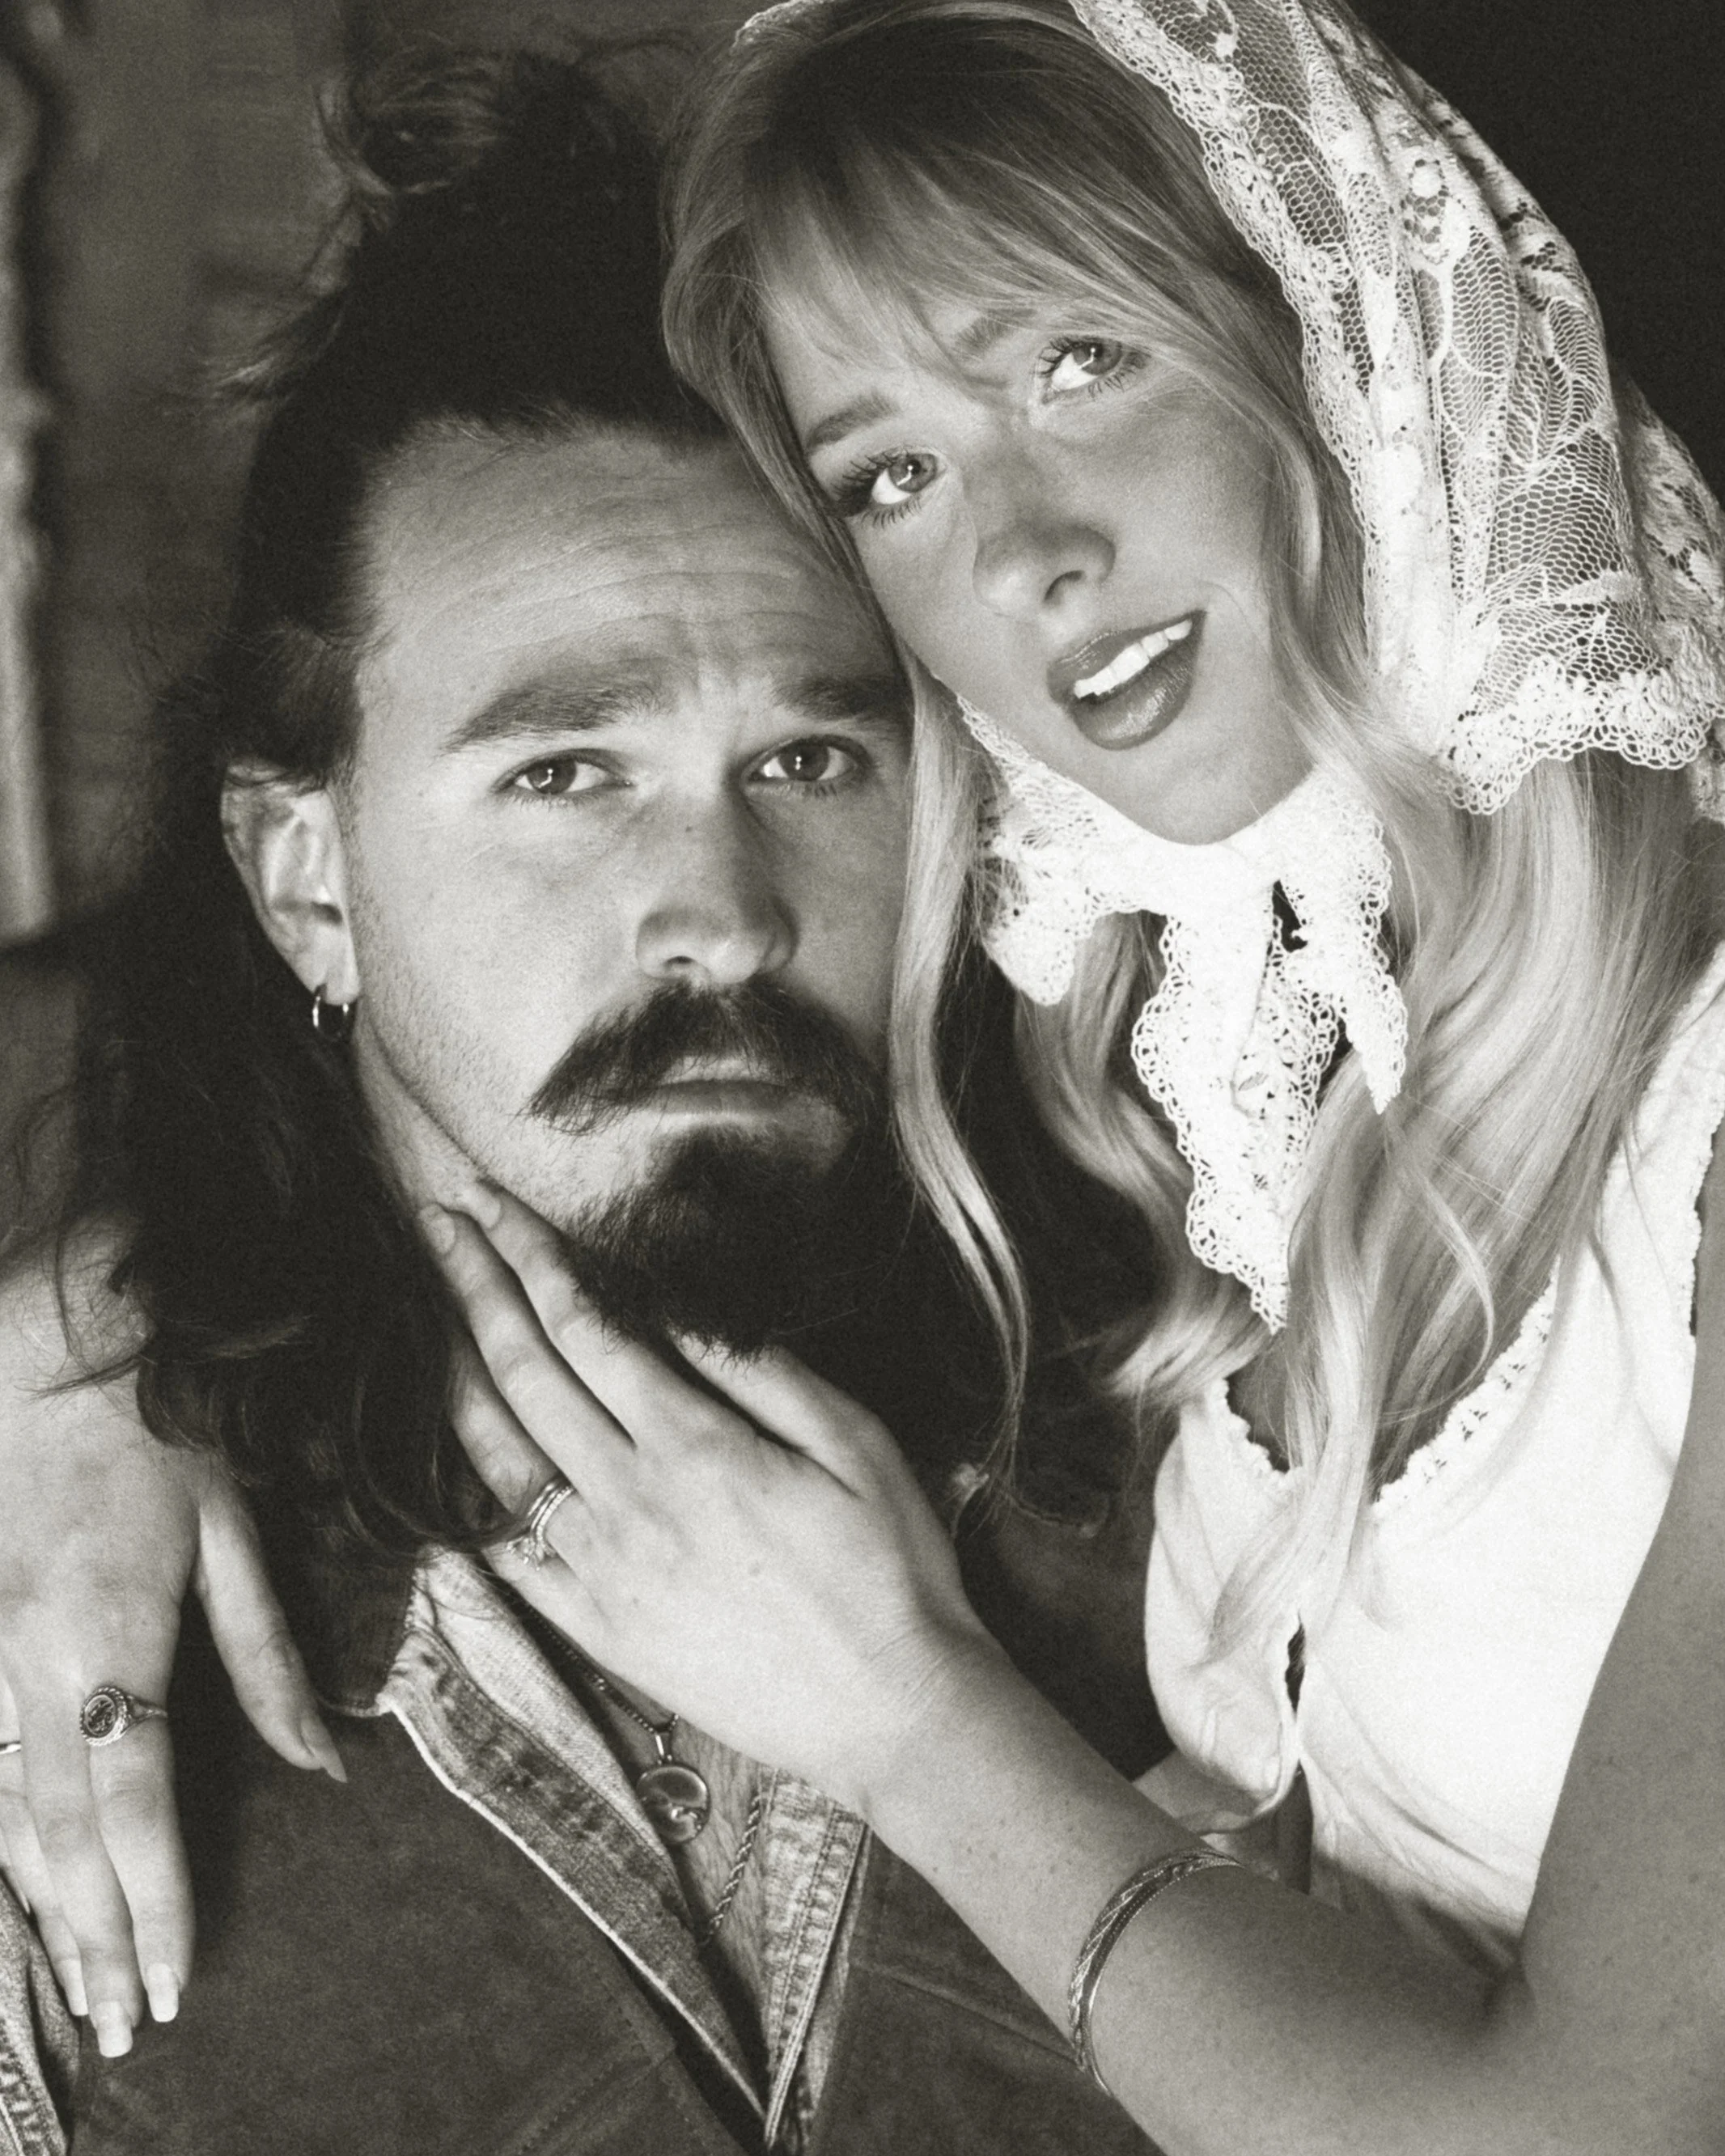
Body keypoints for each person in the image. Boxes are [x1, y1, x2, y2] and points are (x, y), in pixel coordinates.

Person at [355, 2, 1725, 2152]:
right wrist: (75, 1347)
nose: (1014, 550)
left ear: (1347, 332)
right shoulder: (1251, 1114)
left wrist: (907, 1716)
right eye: (887, 473)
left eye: (1073, 360)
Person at [0, 42, 1172, 2154]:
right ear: (305, 876)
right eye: (564, 776)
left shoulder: (1228, 1515)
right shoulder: (57, 1651)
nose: (717, 919)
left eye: (811, 765)